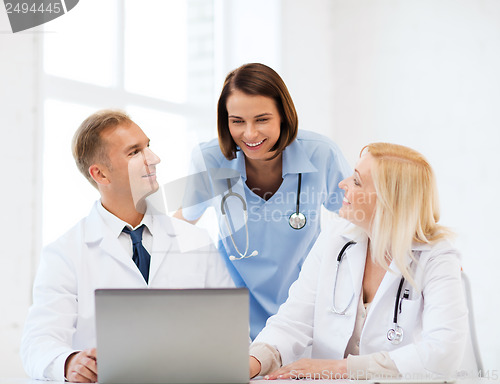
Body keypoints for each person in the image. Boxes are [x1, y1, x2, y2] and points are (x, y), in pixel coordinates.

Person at [20, 110, 234, 383]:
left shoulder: (195, 241)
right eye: (134, 152)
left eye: (148, 146)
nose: (154, 159)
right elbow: (38, 342)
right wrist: (68, 362)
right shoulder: (64, 254)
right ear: (101, 174)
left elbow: (232, 331)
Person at [248, 143, 476, 379]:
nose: (342, 184)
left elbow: (443, 353)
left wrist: (340, 369)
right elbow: (293, 322)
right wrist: (254, 362)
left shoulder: (437, 257)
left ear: (390, 201)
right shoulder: (335, 237)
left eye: (356, 181)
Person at [175, 63, 351, 339]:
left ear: (284, 115)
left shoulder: (321, 154)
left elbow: (362, 221)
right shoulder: (209, 159)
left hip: (304, 314)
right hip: (231, 318)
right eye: (237, 121)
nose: (250, 134)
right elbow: (181, 226)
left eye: (262, 119)